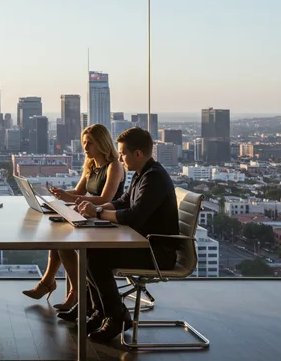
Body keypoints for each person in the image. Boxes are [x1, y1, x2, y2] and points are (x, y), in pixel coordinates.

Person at [74, 127, 179, 342]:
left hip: (159, 252)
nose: (120, 157)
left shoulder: (154, 178)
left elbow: (134, 216)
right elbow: (123, 202)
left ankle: (116, 317)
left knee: (95, 255)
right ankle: (101, 312)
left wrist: (100, 212)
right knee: (88, 251)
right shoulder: (142, 174)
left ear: (138, 154)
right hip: (143, 244)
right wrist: (96, 209)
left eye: (122, 153)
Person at [21, 123, 124, 313]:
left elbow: (105, 199)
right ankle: (50, 282)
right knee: (56, 233)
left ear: (102, 143)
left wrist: (71, 198)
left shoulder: (114, 166)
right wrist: (57, 195)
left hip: (107, 221)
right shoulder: (91, 165)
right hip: (90, 217)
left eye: (90, 143)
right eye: (84, 143)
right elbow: (78, 191)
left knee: (63, 243)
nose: (85, 147)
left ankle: (75, 291)